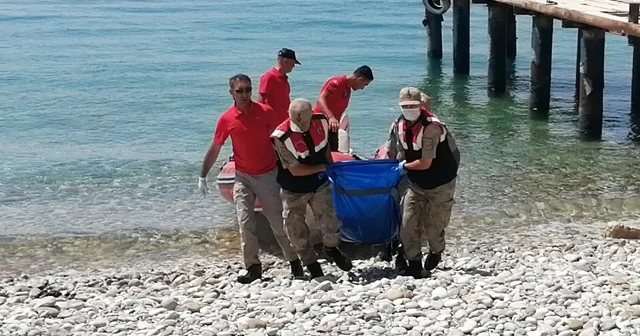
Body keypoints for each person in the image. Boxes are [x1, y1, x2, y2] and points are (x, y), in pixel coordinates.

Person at [198, 74, 304, 284]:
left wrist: (293, 164)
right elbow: (216, 146)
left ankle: (294, 262)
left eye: (247, 89)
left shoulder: (265, 112)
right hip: (242, 177)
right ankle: (253, 268)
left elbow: (280, 139)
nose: (245, 94)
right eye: (240, 91)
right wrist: (203, 175)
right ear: (231, 93)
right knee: (245, 223)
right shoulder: (226, 119)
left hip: (267, 175)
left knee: (277, 224)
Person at [271, 98, 353, 278]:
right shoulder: (281, 137)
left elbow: (324, 148)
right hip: (293, 189)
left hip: (319, 183)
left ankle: (331, 249)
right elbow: (296, 170)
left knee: (330, 223)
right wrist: (325, 168)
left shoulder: (321, 122)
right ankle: (310, 262)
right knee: (296, 231)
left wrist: (332, 167)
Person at [385, 87, 460, 279]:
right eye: (405, 106)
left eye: (413, 105)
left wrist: (403, 167)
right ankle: (415, 264)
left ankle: (436, 252)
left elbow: (425, 163)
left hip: (440, 182)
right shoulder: (397, 125)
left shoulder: (432, 127)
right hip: (415, 184)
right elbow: (391, 152)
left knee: (435, 227)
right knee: (407, 224)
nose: (409, 109)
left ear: (421, 105)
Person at [313, 65, 374, 152]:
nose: (363, 88)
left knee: (333, 150)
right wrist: (331, 117)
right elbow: (320, 99)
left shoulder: (347, 88)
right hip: (320, 122)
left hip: (332, 126)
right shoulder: (337, 83)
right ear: (360, 79)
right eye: (364, 85)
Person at [257, 48, 301, 125]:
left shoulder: (283, 78)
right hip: (272, 124)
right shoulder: (269, 76)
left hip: (283, 122)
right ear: (285, 61)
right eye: (293, 63)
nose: (293, 66)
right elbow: (261, 101)